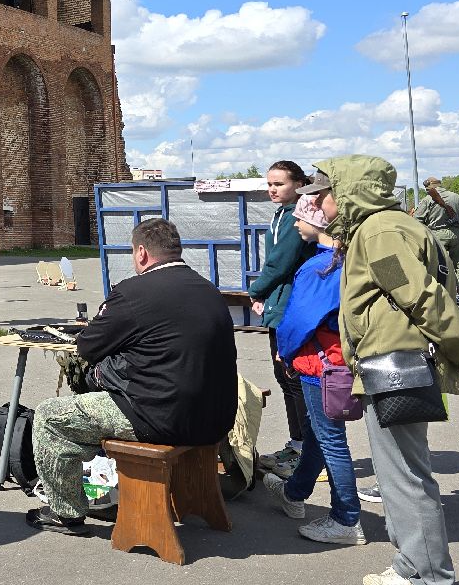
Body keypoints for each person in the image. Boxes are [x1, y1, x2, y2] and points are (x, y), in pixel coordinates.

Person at [307, 156, 459, 585]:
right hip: (390, 363)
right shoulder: (379, 227)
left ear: (348, 190)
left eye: (323, 191)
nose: (317, 201)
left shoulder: (381, 232)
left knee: (406, 479)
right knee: (396, 476)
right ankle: (412, 567)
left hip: (396, 364)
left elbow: (419, 294)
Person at [26, 217, 238, 535]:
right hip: (216, 418)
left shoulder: (133, 293)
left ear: (141, 253)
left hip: (164, 417)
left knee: (49, 416)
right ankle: (103, 484)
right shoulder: (207, 289)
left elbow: (86, 346)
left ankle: (65, 511)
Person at [262, 194, 365, 545]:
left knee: (331, 439)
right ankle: (294, 493)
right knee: (319, 433)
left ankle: (346, 518)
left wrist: (285, 351)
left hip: (320, 364)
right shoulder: (350, 259)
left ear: (319, 223)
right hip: (339, 361)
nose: (294, 223)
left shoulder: (319, 267)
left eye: (300, 217)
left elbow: (300, 320)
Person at [249, 160, 317, 476]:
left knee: (295, 380)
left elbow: (280, 265)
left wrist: (256, 290)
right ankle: (298, 445)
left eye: (279, 184)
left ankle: (308, 453)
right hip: (280, 306)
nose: (272, 189)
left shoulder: (297, 217)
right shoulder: (282, 214)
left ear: (299, 184)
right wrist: (266, 296)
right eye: (270, 184)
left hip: (292, 307)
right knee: (285, 378)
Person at [414, 177, 459, 305]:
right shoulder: (456, 197)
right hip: (457, 234)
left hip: (437, 235)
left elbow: (417, 220)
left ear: (429, 187)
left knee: (440, 266)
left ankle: (445, 295)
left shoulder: (427, 199)